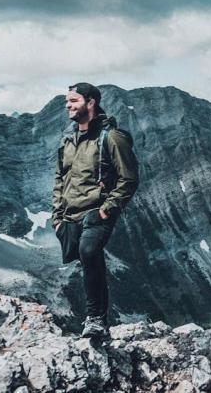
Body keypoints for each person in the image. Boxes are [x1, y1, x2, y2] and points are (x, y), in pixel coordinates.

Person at [52, 82, 139, 338]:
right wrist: (57, 217)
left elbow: (129, 179)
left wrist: (107, 209)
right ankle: (97, 319)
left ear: (90, 103)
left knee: (89, 251)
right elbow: (59, 178)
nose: (68, 105)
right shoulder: (68, 140)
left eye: (74, 101)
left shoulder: (111, 137)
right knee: (86, 260)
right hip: (70, 215)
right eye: (67, 101)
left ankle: (96, 320)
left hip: (97, 212)